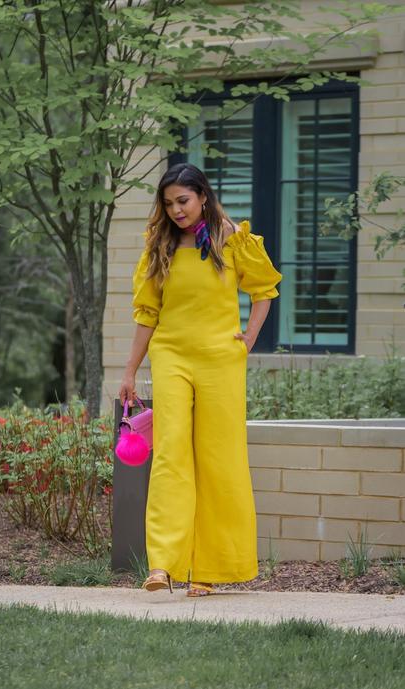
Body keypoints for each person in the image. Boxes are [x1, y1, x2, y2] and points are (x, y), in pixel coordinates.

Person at [119, 163, 282, 597]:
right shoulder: (161, 247)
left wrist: (247, 340)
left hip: (220, 362)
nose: (176, 210)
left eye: (183, 201)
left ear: (202, 197)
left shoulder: (231, 239)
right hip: (171, 356)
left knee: (217, 461)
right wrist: (131, 370)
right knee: (172, 455)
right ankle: (163, 565)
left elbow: (264, 290)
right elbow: (147, 314)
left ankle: (209, 571)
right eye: (169, 203)